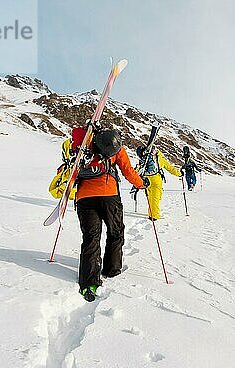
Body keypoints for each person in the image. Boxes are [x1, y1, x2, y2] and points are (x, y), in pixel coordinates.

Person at [72, 125, 149, 302]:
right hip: (110, 196)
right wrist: (141, 184)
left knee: (91, 237)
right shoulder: (117, 148)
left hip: (84, 198)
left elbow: (70, 166)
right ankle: (111, 269)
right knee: (115, 232)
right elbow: (127, 170)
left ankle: (88, 283)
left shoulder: (82, 144)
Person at [135, 144, 182, 221]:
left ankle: (152, 213)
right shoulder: (159, 159)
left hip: (146, 181)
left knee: (152, 199)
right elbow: (170, 168)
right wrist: (179, 174)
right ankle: (154, 216)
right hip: (155, 181)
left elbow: (136, 171)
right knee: (154, 199)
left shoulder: (143, 161)